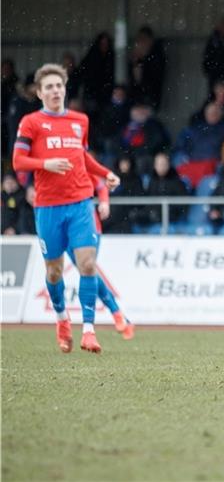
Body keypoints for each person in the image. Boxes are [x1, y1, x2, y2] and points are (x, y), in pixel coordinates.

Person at [11, 63, 121, 354]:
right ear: (39, 93)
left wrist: (103, 173)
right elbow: (18, 162)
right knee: (55, 273)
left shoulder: (79, 120)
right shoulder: (31, 122)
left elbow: (82, 157)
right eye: (49, 86)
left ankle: (88, 331)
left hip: (80, 203)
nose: (55, 91)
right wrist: (44, 164)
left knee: (87, 264)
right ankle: (61, 319)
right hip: (48, 207)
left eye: (59, 85)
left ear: (65, 88)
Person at [65, 178, 135, 340]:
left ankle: (111, 316)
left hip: (88, 225)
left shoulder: (79, 162)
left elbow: (100, 184)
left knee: (87, 269)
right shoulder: (52, 166)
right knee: (88, 271)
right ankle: (118, 314)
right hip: (64, 227)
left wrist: (104, 201)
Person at [128, 25, 166, 110]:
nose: (140, 43)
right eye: (139, 40)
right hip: (137, 99)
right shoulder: (138, 57)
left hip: (149, 99)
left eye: (143, 40)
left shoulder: (156, 56)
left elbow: (151, 81)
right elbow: (135, 79)